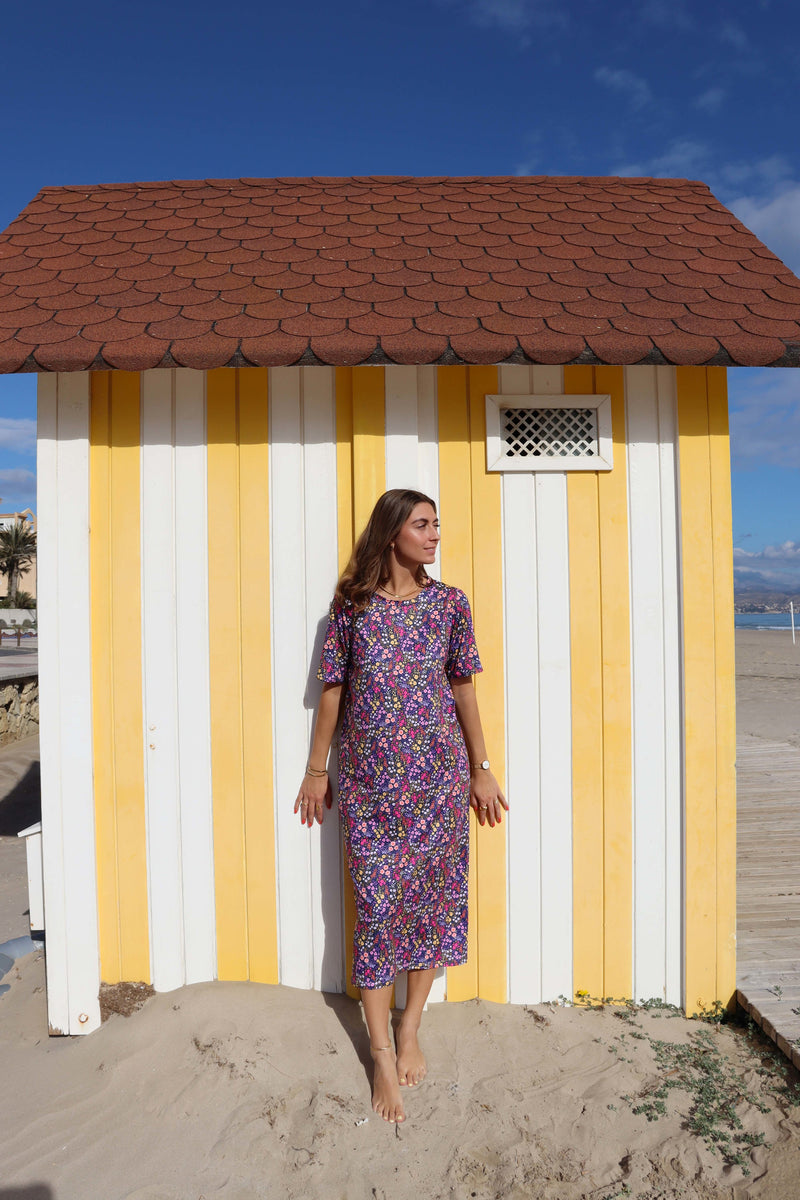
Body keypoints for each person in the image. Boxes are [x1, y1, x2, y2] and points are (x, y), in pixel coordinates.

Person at [294, 488, 507, 1124]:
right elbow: (332, 694)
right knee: (377, 913)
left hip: (438, 784)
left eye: (437, 525)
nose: (435, 535)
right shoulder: (351, 608)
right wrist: (316, 769)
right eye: (423, 525)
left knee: (432, 904)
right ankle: (381, 1058)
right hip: (370, 788)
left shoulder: (449, 605)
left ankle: (410, 1026)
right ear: (393, 535)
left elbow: (463, 689)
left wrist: (483, 768)